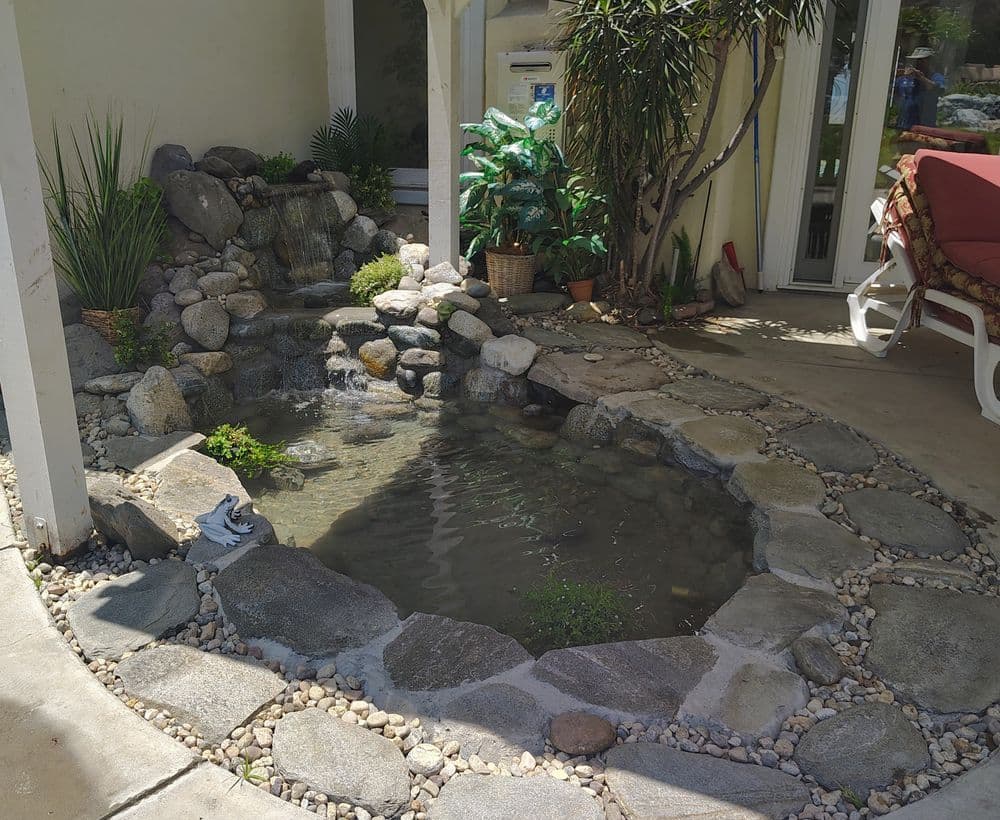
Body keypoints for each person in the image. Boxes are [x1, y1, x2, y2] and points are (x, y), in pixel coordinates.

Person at [894, 46, 947, 129]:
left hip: (924, 127)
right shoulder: (905, 78)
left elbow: (938, 90)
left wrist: (921, 78)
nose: (918, 63)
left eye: (922, 61)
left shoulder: (936, 77)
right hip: (904, 125)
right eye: (916, 60)